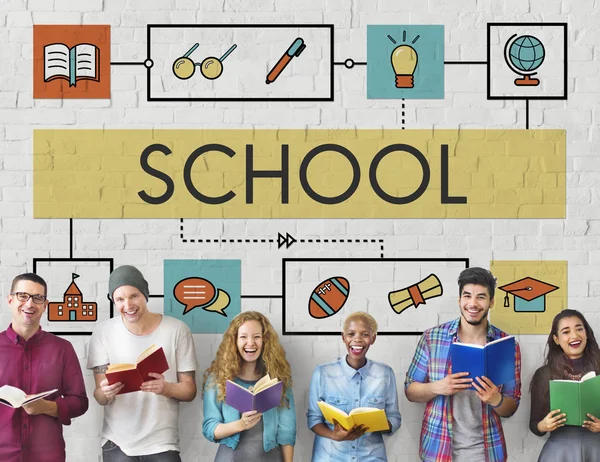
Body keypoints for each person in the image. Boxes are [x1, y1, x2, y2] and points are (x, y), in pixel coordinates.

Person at [405, 267, 522, 462]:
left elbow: (511, 407)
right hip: (438, 450)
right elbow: (410, 390)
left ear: (492, 302)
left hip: (486, 452)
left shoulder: (507, 346)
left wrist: (495, 399)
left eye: (481, 297)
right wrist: (438, 387)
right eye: (467, 296)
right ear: (459, 300)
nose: (473, 303)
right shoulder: (432, 338)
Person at [87, 265, 198, 461]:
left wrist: (167, 388)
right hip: (117, 443)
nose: (127, 305)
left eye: (134, 296)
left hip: (162, 443)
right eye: (120, 299)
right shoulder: (103, 332)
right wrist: (105, 392)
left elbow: (190, 391)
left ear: (145, 294)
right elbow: (99, 396)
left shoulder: (177, 330)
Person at [0, 272, 88, 462]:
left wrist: (47, 407)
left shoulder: (62, 348)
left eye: (37, 298)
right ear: (10, 300)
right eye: (22, 296)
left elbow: (80, 402)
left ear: (45, 305)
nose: (29, 304)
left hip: (47, 456)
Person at [307, 311, 402, 461]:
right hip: (330, 456)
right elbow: (313, 420)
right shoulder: (323, 373)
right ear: (343, 337)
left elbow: (394, 418)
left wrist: (378, 424)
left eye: (364, 334)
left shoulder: (385, 374)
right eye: (351, 334)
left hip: (371, 457)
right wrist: (335, 435)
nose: (357, 339)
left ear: (373, 338)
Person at [202, 311, 296, 461]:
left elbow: (287, 431)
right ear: (234, 341)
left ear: (265, 341)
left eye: (257, 337)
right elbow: (209, 428)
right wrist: (241, 424)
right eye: (243, 337)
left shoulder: (279, 379)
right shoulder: (217, 379)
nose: (250, 343)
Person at [529, 309, 600, 461]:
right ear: (556, 339)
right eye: (566, 332)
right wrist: (544, 425)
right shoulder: (544, 374)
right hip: (559, 451)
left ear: (586, 333)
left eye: (579, 329)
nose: (574, 336)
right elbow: (534, 425)